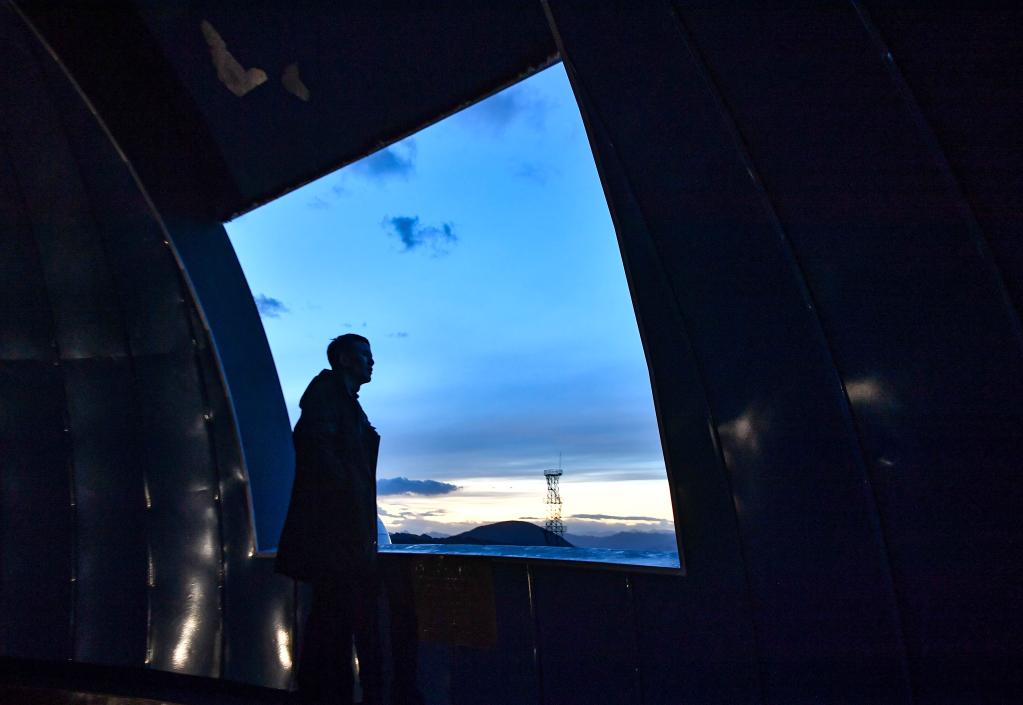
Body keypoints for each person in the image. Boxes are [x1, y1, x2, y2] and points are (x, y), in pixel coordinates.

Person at [276, 333, 383, 705]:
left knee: (331, 620)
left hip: (341, 534)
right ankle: (324, 693)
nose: (372, 362)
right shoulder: (327, 396)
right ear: (343, 359)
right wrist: (346, 503)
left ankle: (324, 692)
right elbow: (318, 452)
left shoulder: (343, 402)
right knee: (331, 620)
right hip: (335, 536)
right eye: (364, 355)